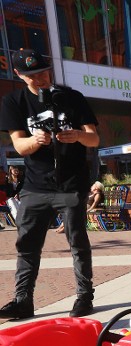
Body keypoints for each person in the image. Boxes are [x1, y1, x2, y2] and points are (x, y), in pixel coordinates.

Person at [0, 48, 100, 320]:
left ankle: (84, 296)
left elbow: (94, 139)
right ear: (20, 75)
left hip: (71, 185)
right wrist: (37, 141)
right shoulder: (14, 102)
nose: (41, 79)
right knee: (27, 245)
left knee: (78, 243)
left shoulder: (72, 98)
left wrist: (78, 134)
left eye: (44, 72)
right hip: (35, 187)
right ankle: (23, 300)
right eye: (33, 75)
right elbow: (19, 145)